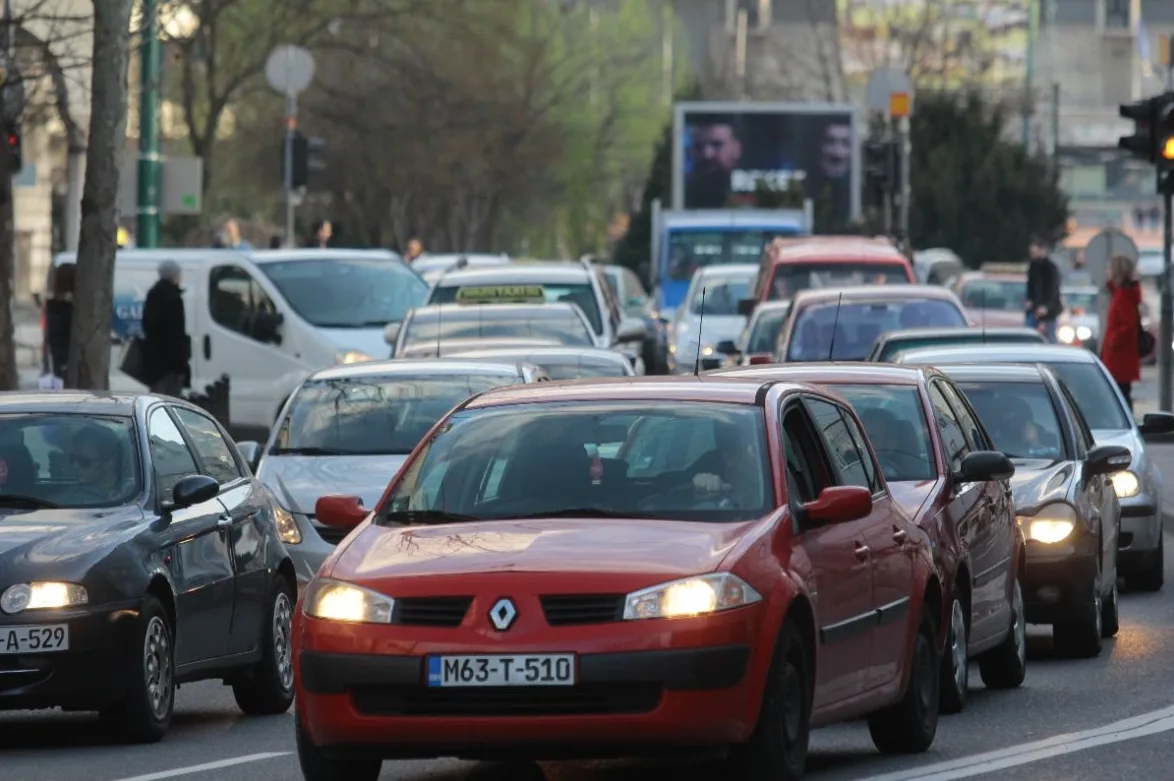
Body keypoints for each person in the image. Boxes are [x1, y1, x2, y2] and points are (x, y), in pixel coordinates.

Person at [141, 260, 190, 397]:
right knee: (171, 401)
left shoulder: (152, 295)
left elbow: (147, 326)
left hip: (154, 363)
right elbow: (175, 335)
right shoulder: (173, 298)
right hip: (170, 366)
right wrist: (181, 367)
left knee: (157, 399)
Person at [1102, 254, 1142, 409]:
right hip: (1118, 356)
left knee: (1120, 396)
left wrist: (1113, 341)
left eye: (1110, 268)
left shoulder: (1123, 296)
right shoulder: (1119, 294)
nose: (1107, 271)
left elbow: (1128, 325)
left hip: (1120, 357)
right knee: (1119, 394)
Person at [684, 119, 743, 208]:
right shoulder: (681, 192)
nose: (707, 154)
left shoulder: (753, 189)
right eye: (698, 146)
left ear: (737, 148)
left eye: (717, 145)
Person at [60, 425, 124, 504]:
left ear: (109, 462)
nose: (75, 466)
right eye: (72, 459)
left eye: (84, 461)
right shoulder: (69, 495)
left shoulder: (128, 495)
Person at [1025, 237, 1063, 342]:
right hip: (1034, 308)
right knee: (1027, 334)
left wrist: (1046, 306)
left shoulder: (1051, 268)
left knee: (1051, 337)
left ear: (1042, 250)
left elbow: (1053, 290)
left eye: (1034, 251)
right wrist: (1029, 299)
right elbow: (1030, 285)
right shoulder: (1033, 266)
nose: (1032, 254)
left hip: (1049, 310)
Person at [45, 264, 76, 380]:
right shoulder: (67, 308)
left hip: (59, 362)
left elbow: (52, 338)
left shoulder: (53, 306)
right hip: (66, 361)